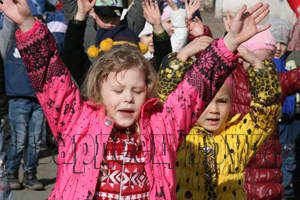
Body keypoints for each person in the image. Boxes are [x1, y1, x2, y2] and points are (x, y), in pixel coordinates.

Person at [0, 0, 271, 198]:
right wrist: (27, 24)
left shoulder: (162, 125)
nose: (127, 99)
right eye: (118, 91)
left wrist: (230, 43)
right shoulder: (75, 121)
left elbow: (194, 91)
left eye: (137, 91)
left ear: (148, 91)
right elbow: (51, 78)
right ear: (97, 92)